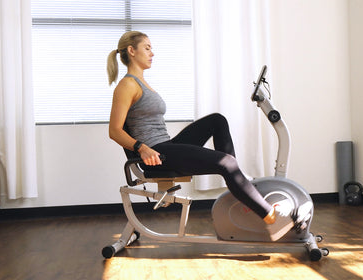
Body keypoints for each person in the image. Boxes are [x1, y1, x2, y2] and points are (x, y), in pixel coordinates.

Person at [107, 31, 294, 241]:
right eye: (147, 48)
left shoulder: (142, 83)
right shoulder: (127, 85)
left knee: (217, 120)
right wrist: (142, 148)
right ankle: (270, 218)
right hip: (156, 154)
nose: (152, 53)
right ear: (131, 51)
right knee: (226, 163)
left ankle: (239, 185)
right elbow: (114, 130)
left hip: (165, 147)